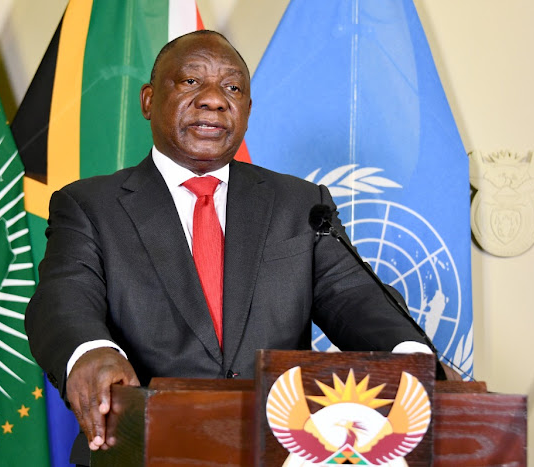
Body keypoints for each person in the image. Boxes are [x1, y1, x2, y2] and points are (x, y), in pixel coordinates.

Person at [25, 30, 444, 464]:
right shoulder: (91, 206)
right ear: (148, 100)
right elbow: (63, 299)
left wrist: (412, 357)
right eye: (190, 82)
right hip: (140, 450)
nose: (213, 99)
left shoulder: (300, 205)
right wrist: (89, 351)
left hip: (282, 449)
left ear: (246, 110)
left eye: (232, 87)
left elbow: (353, 296)